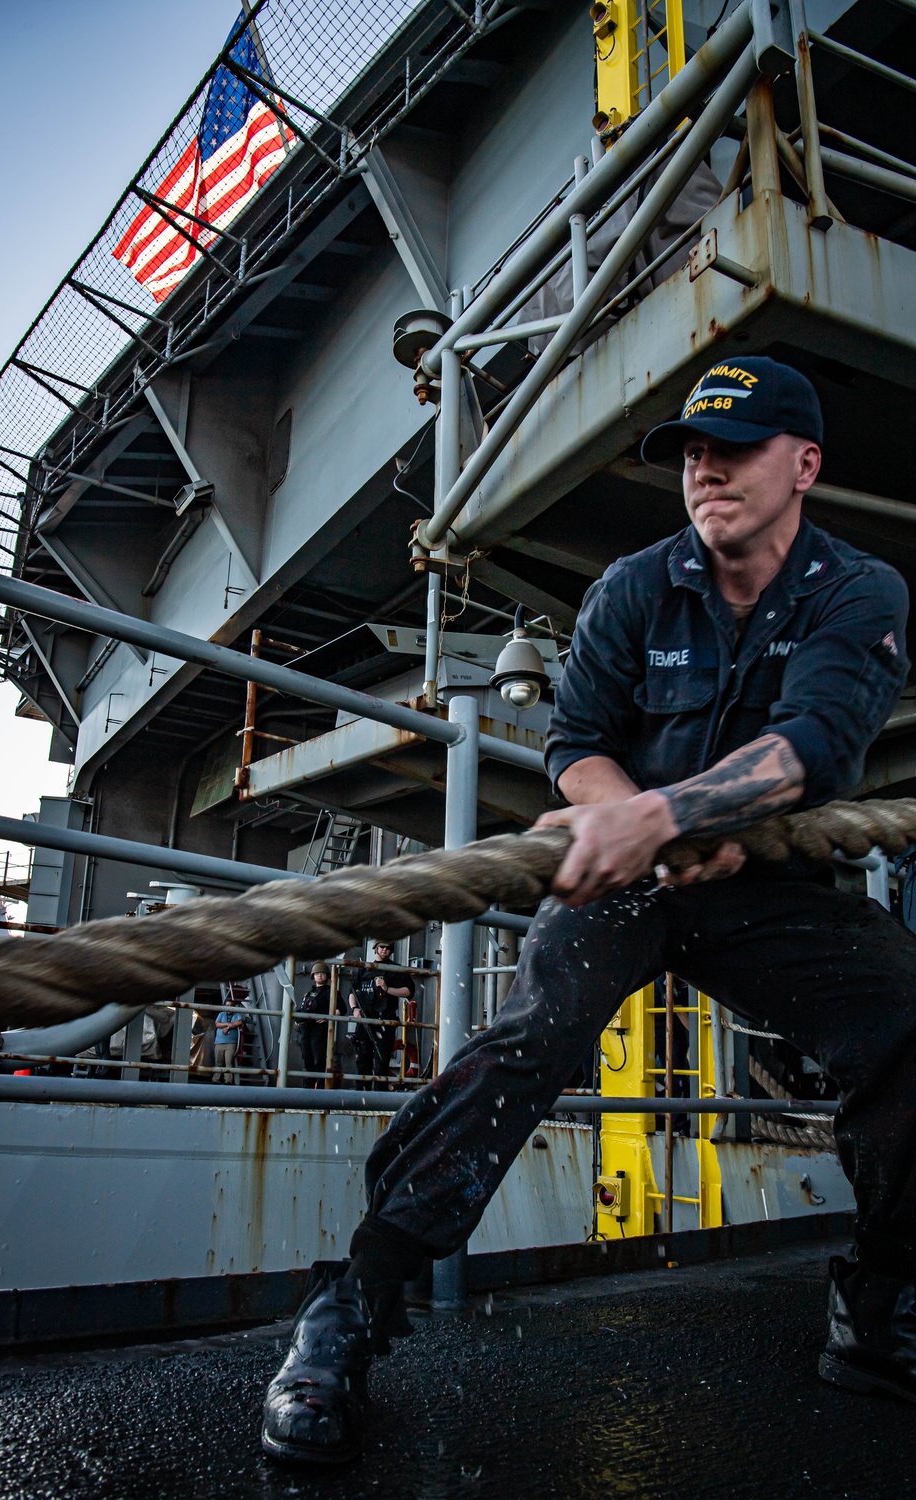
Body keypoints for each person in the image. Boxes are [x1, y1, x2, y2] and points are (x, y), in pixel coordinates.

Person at [261, 357, 916, 1465]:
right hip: (625, 883)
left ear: (802, 465)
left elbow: (819, 746)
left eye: (736, 449)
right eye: (692, 455)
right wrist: (642, 825)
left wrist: (672, 816)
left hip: (770, 891)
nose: (706, 472)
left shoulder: (857, 588)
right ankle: (346, 1314)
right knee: (531, 1037)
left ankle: (875, 1306)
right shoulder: (632, 587)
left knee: (907, 1026)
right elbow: (575, 750)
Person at [347, 942, 414, 1088]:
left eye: (388, 948)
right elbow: (352, 991)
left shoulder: (395, 969)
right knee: (362, 1060)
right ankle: (361, 1097)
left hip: (385, 1019)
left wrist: (387, 988)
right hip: (365, 1020)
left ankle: (378, 1097)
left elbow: (408, 991)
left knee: (381, 1061)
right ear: (376, 948)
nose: (385, 950)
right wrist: (354, 1009)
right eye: (382, 947)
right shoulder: (364, 969)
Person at [296, 962, 342, 1088]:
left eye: (322, 973)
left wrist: (328, 1016)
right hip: (306, 1030)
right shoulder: (308, 994)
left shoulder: (331, 992)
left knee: (319, 1061)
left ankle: (320, 1090)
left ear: (327, 976)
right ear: (313, 976)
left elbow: (340, 1010)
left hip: (320, 1030)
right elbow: (302, 1009)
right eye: (317, 974)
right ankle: (308, 1090)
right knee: (307, 1060)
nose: (320, 976)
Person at [212, 1003, 243, 1084]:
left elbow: (240, 1022)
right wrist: (227, 1024)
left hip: (231, 1043)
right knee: (218, 1063)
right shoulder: (221, 1014)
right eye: (227, 1005)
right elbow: (217, 1024)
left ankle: (228, 1081)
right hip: (219, 1043)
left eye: (230, 1005)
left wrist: (229, 1027)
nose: (228, 1007)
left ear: (233, 1006)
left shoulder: (237, 1014)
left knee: (228, 1063)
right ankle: (216, 1079)